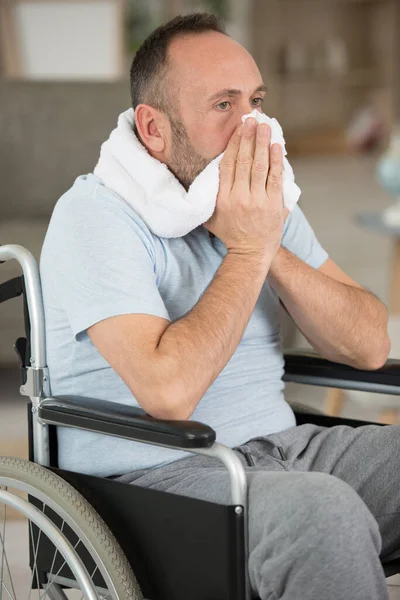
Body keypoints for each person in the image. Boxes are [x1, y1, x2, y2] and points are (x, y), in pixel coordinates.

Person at [39, 12, 398, 600]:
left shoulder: (259, 203)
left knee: (322, 500)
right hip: (160, 480)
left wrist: (264, 243)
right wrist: (252, 246)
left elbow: (369, 345)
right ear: (154, 129)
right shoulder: (94, 217)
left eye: (256, 100)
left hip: (289, 453)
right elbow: (168, 394)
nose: (254, 128)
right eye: (224, 105)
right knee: (321, 513)